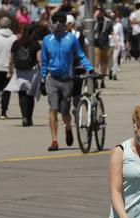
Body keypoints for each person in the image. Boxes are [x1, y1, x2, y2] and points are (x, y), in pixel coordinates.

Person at [40, 13, 94, 152]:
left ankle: (68, 128)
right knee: (53, 109)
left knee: (65, 111)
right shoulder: (47, 39)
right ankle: (54, 140)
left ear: (65, 23)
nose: (58, 24)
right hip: (52, 79)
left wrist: (90, 69)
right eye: (55, 21)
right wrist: (42, 78)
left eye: (60, 21)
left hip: (67, 80)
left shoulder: (71, 39)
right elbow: (44, 61)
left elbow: (80, 55)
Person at [5, 24, 41, 127]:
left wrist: (10, 70)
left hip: (19, 72)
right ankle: (29, 118)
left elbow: (11, 59)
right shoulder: (35, 44)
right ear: (32, 32)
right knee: (30, 96)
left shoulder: (16, 43)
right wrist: (43, 72)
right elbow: (39, 60)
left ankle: (24, 117)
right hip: (32, 72)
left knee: (22, 95)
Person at [93, 8, 116, 88]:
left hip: (105, 44)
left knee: (104, 63)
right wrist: (94, 16)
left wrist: (116, 42)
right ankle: (95, 80)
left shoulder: (108, 22)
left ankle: (102, 80)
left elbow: (112, 32)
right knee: (96, 63)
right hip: (96, 44)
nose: (99, 15)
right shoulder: (93, 21)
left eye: (101, 13)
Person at [110, 11, 124, 79]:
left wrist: (122, 44)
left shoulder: (119, 25)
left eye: (113, 16)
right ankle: (110, 71)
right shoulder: (108, 24)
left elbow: (121, 35)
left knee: (115, 58)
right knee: (109, 59)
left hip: (117, 44)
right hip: (109, 44)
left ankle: (114, 73)